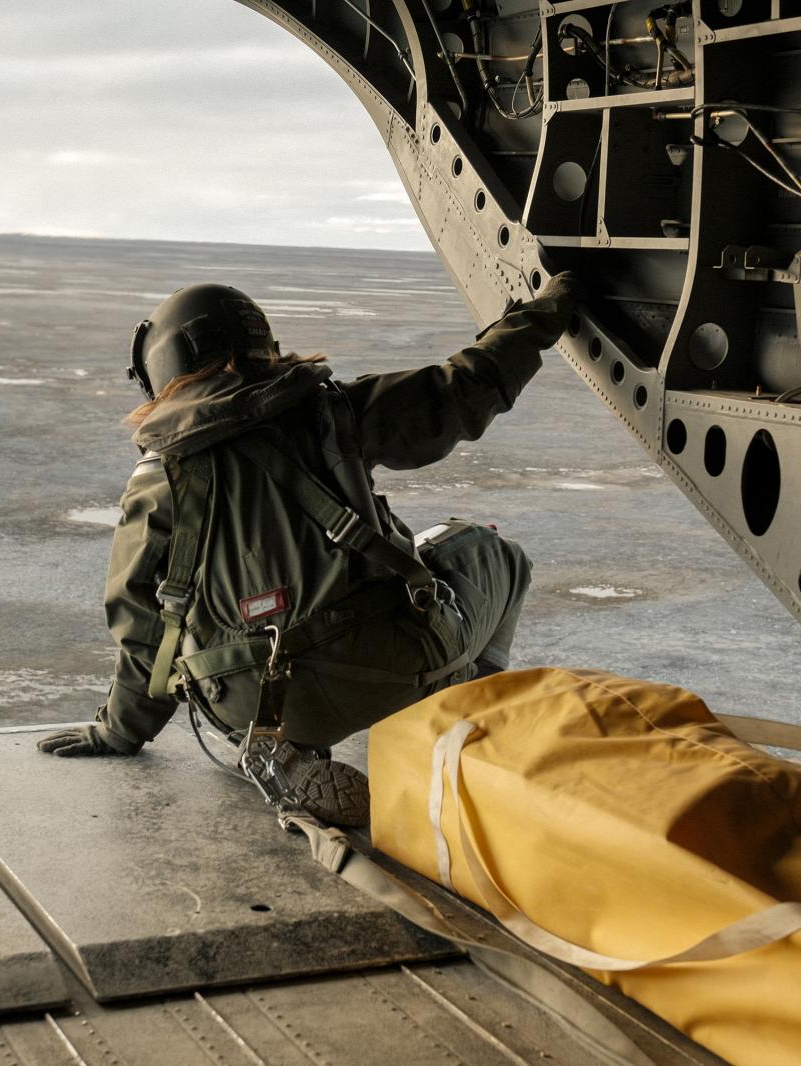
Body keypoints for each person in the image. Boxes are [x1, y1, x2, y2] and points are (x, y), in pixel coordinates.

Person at [39, 273, 578, 825]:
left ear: (162, 369)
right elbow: (463, 388)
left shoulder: (157, 478)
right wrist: (543, 315)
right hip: (390, 666)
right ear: (259, 347)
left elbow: (141, 623)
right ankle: (463, 718)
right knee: (496, 554)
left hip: (250, 702)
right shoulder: (335, 412)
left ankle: (282, 748)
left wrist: (119, 730)